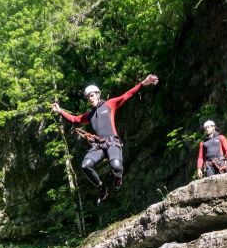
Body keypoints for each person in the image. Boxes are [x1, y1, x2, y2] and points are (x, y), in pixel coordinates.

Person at [52, 75, 159, 204]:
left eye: (92, 95)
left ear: (98, 95)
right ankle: (102, 188)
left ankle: (118, 178)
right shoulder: (89, 114)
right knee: (85, 166)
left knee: (116, 166)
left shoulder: (109, 104)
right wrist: (60, 111)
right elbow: (75, 119)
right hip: (99, 146)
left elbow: (127, 95)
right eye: (88, 97)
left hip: (112, 142)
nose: (90, 99)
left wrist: (143, 83)